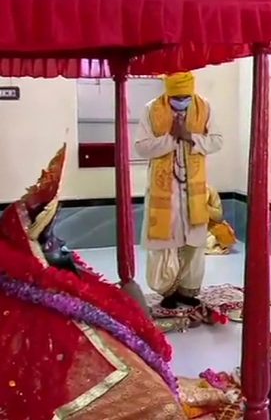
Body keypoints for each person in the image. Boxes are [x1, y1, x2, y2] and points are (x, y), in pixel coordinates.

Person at [0, 145, 184, 419]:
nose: (63, 247)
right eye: (51, 241)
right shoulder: (40, 306)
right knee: (161, 403)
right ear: (33, 253)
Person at [135, 72, 224, 309]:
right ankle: (167, 290)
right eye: (177, 98)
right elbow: (141, 147)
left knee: (194, 242)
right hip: (164, 190)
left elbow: (217, 141)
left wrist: (190, 136)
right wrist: (171, 138)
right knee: (164, 242)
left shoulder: (204, 107)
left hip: (194, 190)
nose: (181, 103)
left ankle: (188, 289)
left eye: (186, 97)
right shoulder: (151, 109)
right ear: (168, 94)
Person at [205, 185, 237, 255]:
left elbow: (219, 217)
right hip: (192, 230)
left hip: (208, 230)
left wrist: (205, 206)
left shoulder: (209, 190)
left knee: (223, 234)